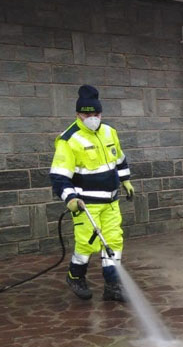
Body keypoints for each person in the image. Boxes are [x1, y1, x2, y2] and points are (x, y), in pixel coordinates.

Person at [50, 85, 134, 301]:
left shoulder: (109, 132)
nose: (92, 118)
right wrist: (70, 198)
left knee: (113, 241)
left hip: (110, 201)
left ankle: (113, 285)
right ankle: (75, 276)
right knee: (87, 243)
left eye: (96, 114)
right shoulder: (69, 140)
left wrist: (125, 180)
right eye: (87, 114)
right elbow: (59, 175)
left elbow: (119, 159)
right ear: (78, 114)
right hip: (86, 203)